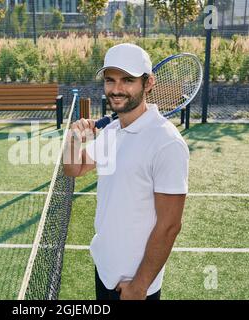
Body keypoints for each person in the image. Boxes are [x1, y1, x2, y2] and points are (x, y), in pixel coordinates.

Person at [63, 43, 189, 300]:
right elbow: (73, 169)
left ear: (149, 83)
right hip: (105, 270)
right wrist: (74, 140)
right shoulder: (111, 131)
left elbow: (169, 226)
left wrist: (139, 286)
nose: (116, 89)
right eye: (110, 80)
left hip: (135, 284)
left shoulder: (167, 143)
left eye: (128, 80)